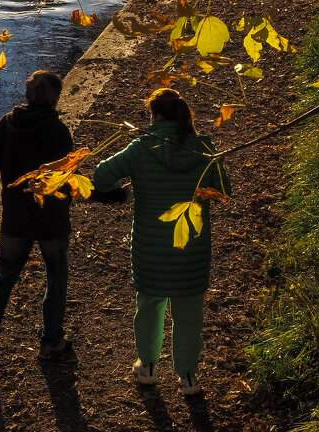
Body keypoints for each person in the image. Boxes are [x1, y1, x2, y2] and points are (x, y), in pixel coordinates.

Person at [92, 88, 230, 395]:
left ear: (155, 116)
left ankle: (149, 368)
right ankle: (189, 376)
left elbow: (101, 175)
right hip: (191, 247)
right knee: (189, 314)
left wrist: (125, 187)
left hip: (149, 248)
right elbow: (223, 189)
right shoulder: (204, 148)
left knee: (150, 306)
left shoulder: (142, 147)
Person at [0, 70, 76, 362]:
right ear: (56, 98)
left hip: (16, 217)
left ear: (26, 94)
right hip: (51, 218)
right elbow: (68, 177)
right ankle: (51, 341)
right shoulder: (59, 132)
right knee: (56, 275)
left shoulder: (6, 124)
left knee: (5, 273)